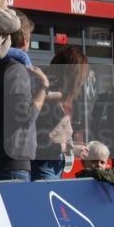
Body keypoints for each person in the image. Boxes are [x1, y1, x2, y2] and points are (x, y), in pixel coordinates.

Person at [0, 10, 50, 182]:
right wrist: (43, 88)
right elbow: (25, 115)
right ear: (24, 39)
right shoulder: (15, 69)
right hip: (12, 165)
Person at [33, 47, 90, 180]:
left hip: (56, 165)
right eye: (80, 77)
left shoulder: (63, 100)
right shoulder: (47, 99)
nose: (82, 83)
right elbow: (40, 145)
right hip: (44, 167)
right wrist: (71, 148)